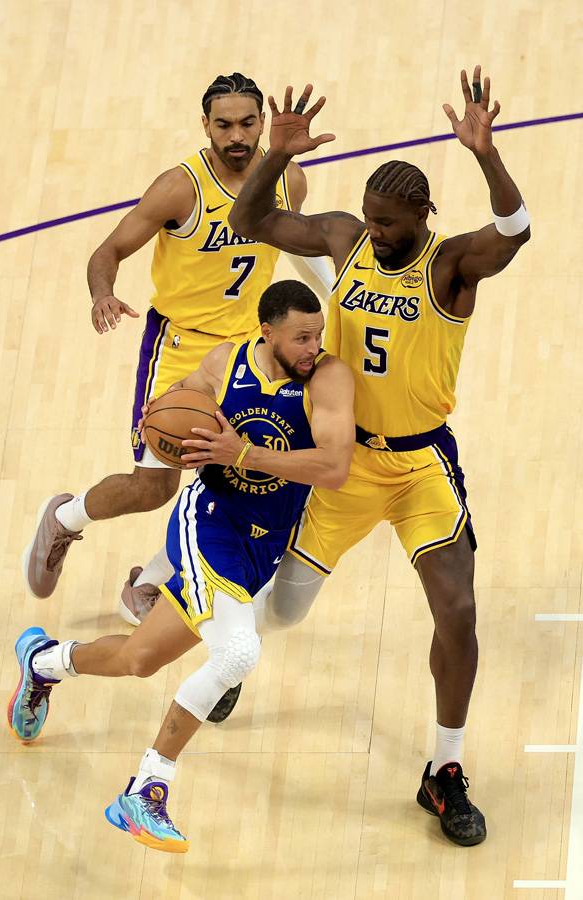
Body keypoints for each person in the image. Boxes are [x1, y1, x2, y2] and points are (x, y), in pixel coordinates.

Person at [227, 68, 531, 847]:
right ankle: (232, 654)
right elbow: (252, 217)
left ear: (423, 216)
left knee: (458, 609)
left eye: (390, 221)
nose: (376, 230)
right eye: (369, 216)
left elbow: (517, 230)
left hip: (422, 463)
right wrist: (273, 154)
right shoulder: (343, 238)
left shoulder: (452, 264)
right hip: (347, 459)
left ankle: (445, 770)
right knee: (287, 611)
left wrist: (486, 156)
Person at [8, 280, 355, 853]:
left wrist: (240, 453)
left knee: (138, 659)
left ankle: (43, 661)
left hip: (263, 544)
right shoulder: (226, 362)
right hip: (210, 522)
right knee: (239, 652)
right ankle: (147, 789)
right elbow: (175, 405)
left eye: (317, 334)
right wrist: (170, 432)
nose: (312, 346)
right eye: (301, 337)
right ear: (266, 333)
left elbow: (333, 467)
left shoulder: (327, 377)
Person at [22, 72, 334, 611]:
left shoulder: (289, 180)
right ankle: (64, 518)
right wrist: (103, 294)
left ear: (262, 122)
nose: (236, 136)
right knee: (155, 486)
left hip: (248, 347)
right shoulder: (181, 186)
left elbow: (298, 244)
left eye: (247, 123)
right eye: (224, 125)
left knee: (245, 469)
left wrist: (338, 298)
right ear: (205, 126)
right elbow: (108, 251)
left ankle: (148, 584)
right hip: (180, 345)